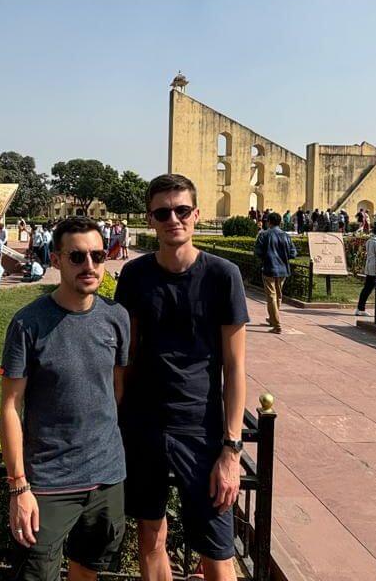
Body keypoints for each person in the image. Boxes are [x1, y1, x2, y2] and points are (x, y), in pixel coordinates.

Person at [115, 174, 248, 581]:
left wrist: (231, 450)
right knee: (151, 536)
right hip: (144, 423)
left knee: (217, 550)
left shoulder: (222, 276)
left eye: (182, 210)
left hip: (200, 427)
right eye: (162, 212)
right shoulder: (136, 277)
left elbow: (235, 366)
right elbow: (126, 357)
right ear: (150, 219)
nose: (173, 218)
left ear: (196, 215)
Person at [0, 216, 130, 581]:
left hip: (105, 478)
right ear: (56, 260)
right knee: (36, 574)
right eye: (77, 257)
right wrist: (19, 487)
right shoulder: (28, 323)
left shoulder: (116, 318)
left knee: (88, 571)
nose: (89, 266)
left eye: (98, 256)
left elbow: (116, 392)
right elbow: (10, 407)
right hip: (48, 483)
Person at [254, 211, 297, 334]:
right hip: (283, 269)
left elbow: (258, 252)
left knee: (272, 296)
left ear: (269, 222)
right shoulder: (286, 236)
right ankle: (273, 319)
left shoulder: (264, 235)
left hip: (269, 268)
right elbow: (293, 253)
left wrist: (266, 257)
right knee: (278, 296)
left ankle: (277, 324)